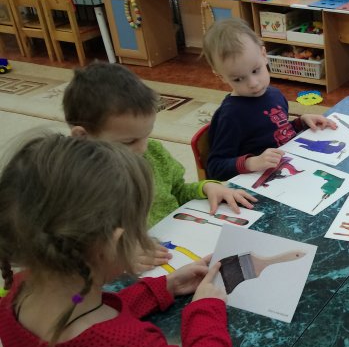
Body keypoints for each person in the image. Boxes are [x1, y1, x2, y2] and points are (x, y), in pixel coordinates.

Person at [0, 133, 232, 347]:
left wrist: (160, 289)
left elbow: (81, 305)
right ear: (114, 242)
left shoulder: (17, 293)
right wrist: (205, 310)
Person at [62, 62, 254, 237]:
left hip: (177, 238)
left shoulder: (154, 153)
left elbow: (177, 191)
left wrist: (205, 187)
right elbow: (79, 246)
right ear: (82, 136)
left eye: (147, 134)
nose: (143, 147)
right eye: (128, 142)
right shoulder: (77, 185)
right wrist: (121, 253)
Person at [201, 18, 336, 181]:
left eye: (255, 70)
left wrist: (300, 123)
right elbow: (215, 168)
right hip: (261, 182)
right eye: (238, 79)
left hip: (289, 169)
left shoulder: (274, 94)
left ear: (264, 55)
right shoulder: (230, 115)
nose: (253, 83)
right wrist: (251, 163)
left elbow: (276, 133)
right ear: (221, 76)